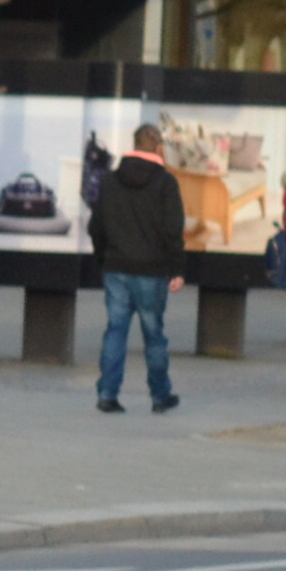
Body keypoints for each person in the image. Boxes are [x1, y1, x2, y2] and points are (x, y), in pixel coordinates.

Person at [89, 122, 187, 416]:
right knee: (154, 333)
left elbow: (96, 226)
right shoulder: (166, 183)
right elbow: (173, 230)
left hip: (116, 268)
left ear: (134, 145)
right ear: (157, 148)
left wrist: (103, 258)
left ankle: (107, 395)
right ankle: (160, 396)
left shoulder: (110, 180)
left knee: (115, 331)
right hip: (152, 271)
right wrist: (177, 269)